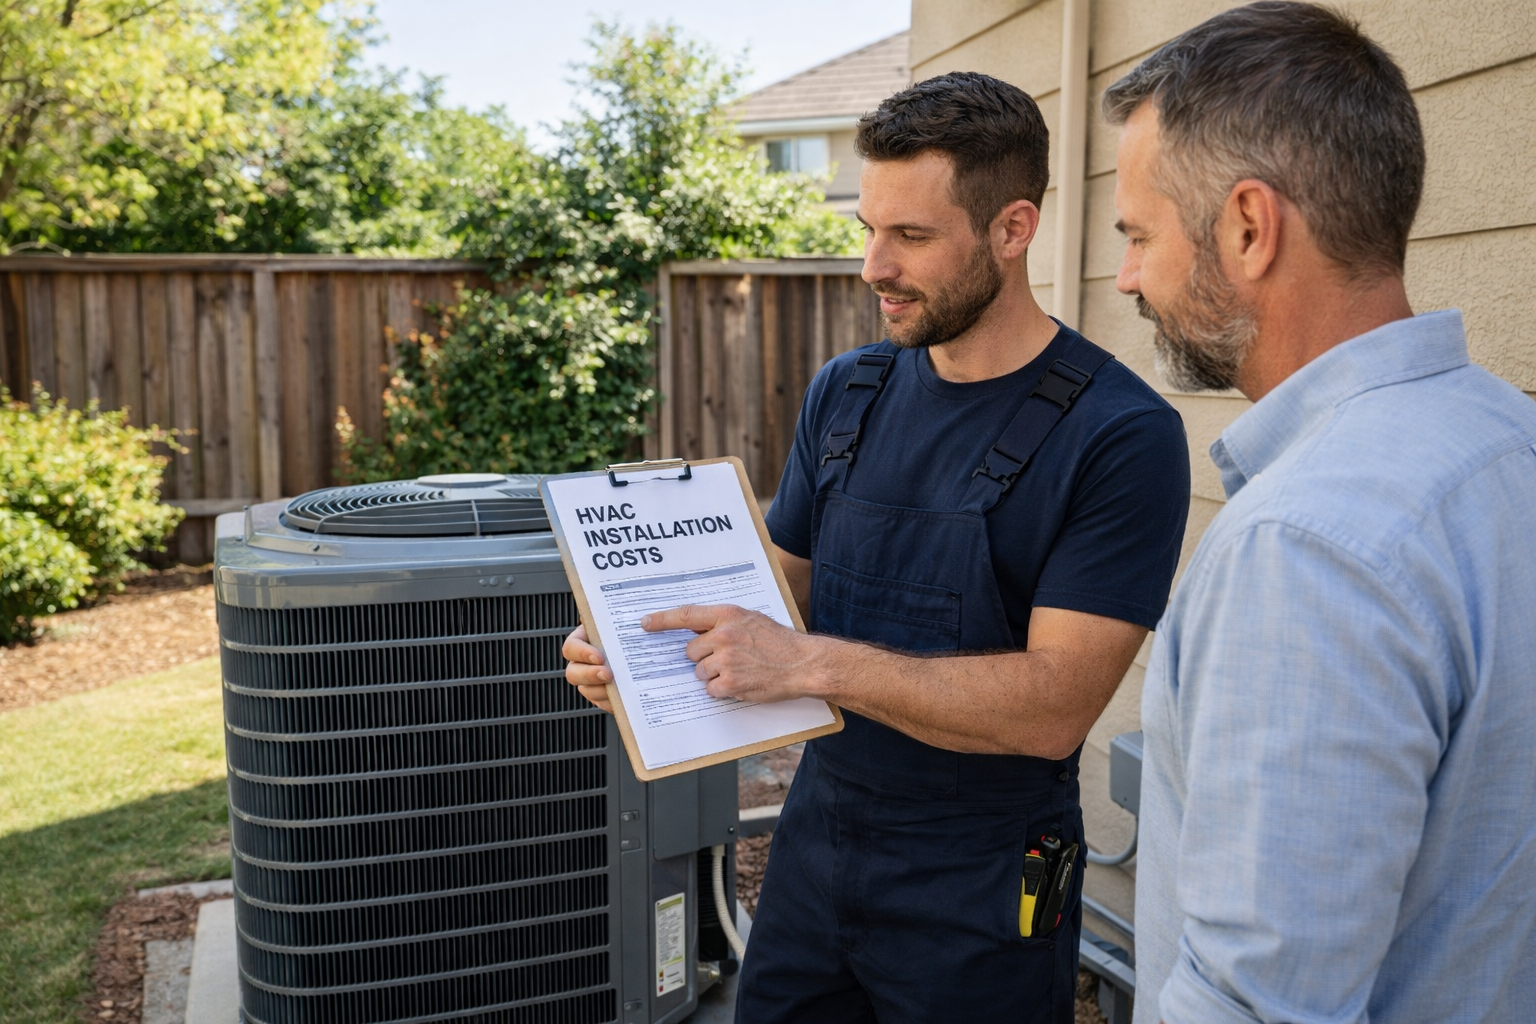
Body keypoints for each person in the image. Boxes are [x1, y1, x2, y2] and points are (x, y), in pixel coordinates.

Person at [563, 71, 1190, 1023]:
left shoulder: (1118, 435)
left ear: (1012, 229)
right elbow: (783, 606)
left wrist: (805, 661)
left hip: (997, 873)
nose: (872, 266)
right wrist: (650, 647)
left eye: (912, 236)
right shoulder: (848, 393)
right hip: (823, 835)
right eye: (868, 227)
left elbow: (1053, 709)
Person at [1102, 4, 1536, 1023]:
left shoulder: (1306, 547)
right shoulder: (1506, 442)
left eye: (1138, 234)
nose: (1127, 276)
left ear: (1249, 226)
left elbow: (1257, 1004)